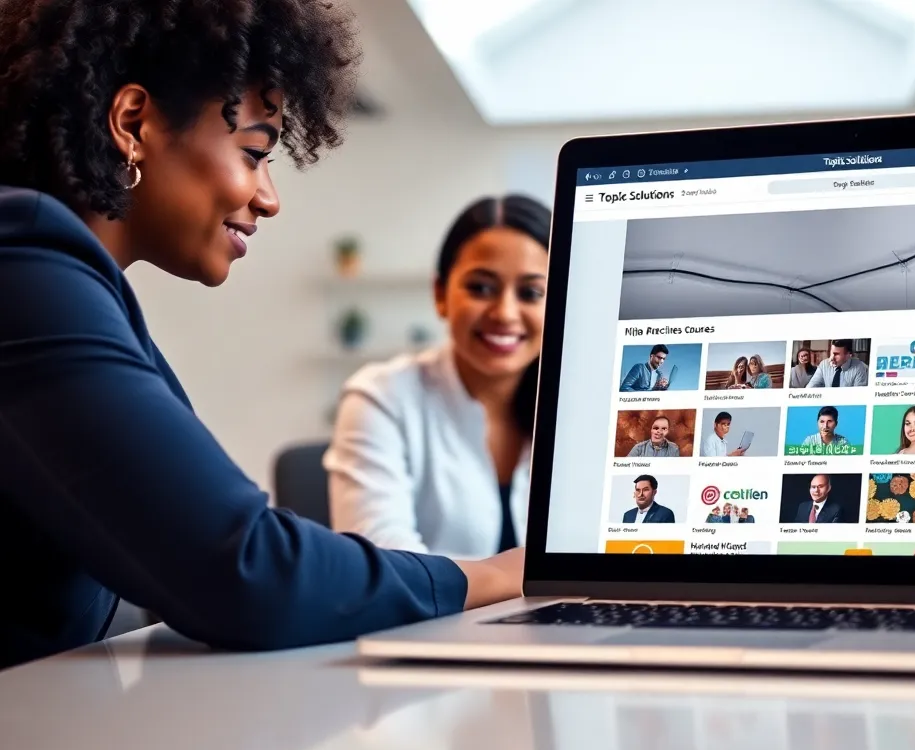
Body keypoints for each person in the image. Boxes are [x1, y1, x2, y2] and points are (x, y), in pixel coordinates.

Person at [0, 0, 520, 671]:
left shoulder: (65, 280)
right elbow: (244, 567)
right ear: (133, 123)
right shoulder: (23, 268)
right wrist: (499, 577)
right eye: (254, 153)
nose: (269, 196)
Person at [324, 194, 549, 557]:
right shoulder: (380, 396)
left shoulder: (584, 407)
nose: (505, 313)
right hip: (430, 617)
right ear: (440, 294)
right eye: (481, 287)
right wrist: (521, 577)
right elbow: (386, 564)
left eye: (531, 293)